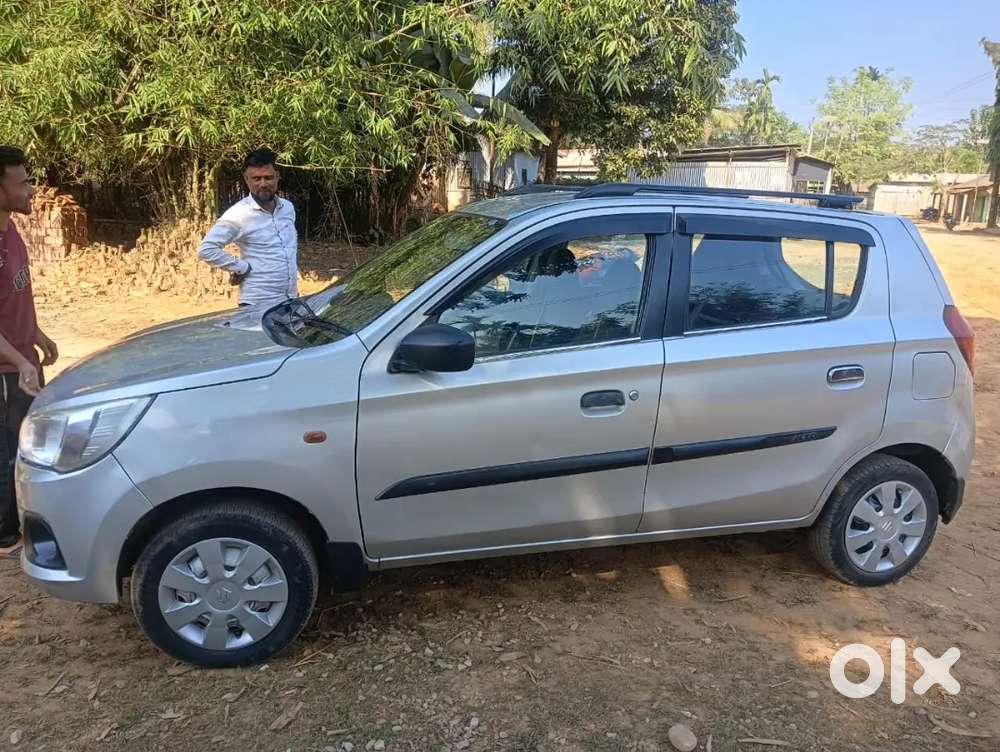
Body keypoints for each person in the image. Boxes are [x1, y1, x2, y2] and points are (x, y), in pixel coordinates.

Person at [0, 146, 58, 556]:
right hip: (6, 370)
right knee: (5, 455)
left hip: (22, 359)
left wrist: (36, 334)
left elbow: (13, 296)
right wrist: (20, 361)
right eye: (21, 183)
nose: (30, 190)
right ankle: (5, 537)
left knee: (25, 446)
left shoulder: (11, 230)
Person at [198, 148, 299, 308]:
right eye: (256, 178)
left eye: (268, 177)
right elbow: (207, 249)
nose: (263, 184)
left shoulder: (287, 208)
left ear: (278, 177)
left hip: (290, 299)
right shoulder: (239, 214)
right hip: (257, 303)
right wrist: (241, 267)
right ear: (246, 179)